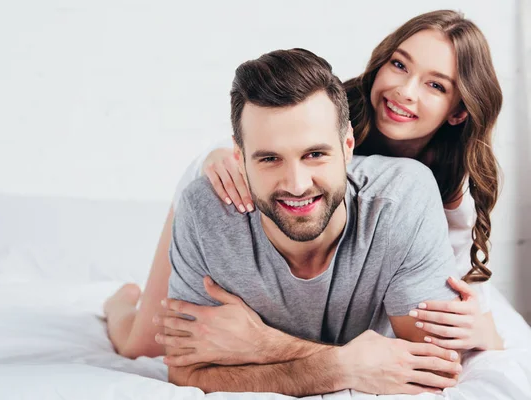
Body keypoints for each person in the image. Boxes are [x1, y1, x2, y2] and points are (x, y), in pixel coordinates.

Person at [103, 8, 503, 388]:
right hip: (231, 185)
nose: (404, 90)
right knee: (141, 342)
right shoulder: (329, 105)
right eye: (399, 64)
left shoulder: (440, 188)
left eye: (436, 85)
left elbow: (452, 285)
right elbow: (265, 139)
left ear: (458, 111)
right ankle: (120, 301)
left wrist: (484, 326)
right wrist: (218, 160)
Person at [162, 47, 465, 396]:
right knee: (134, 340)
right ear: (239, 157)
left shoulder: (403, 197)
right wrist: (339, 366)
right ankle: (120, 305)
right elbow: (185, 373)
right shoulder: (205, 212)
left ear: (348, 144)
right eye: (270, 158)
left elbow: (433, 368)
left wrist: (266, 344)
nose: (296, 184)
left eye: (315, 154)